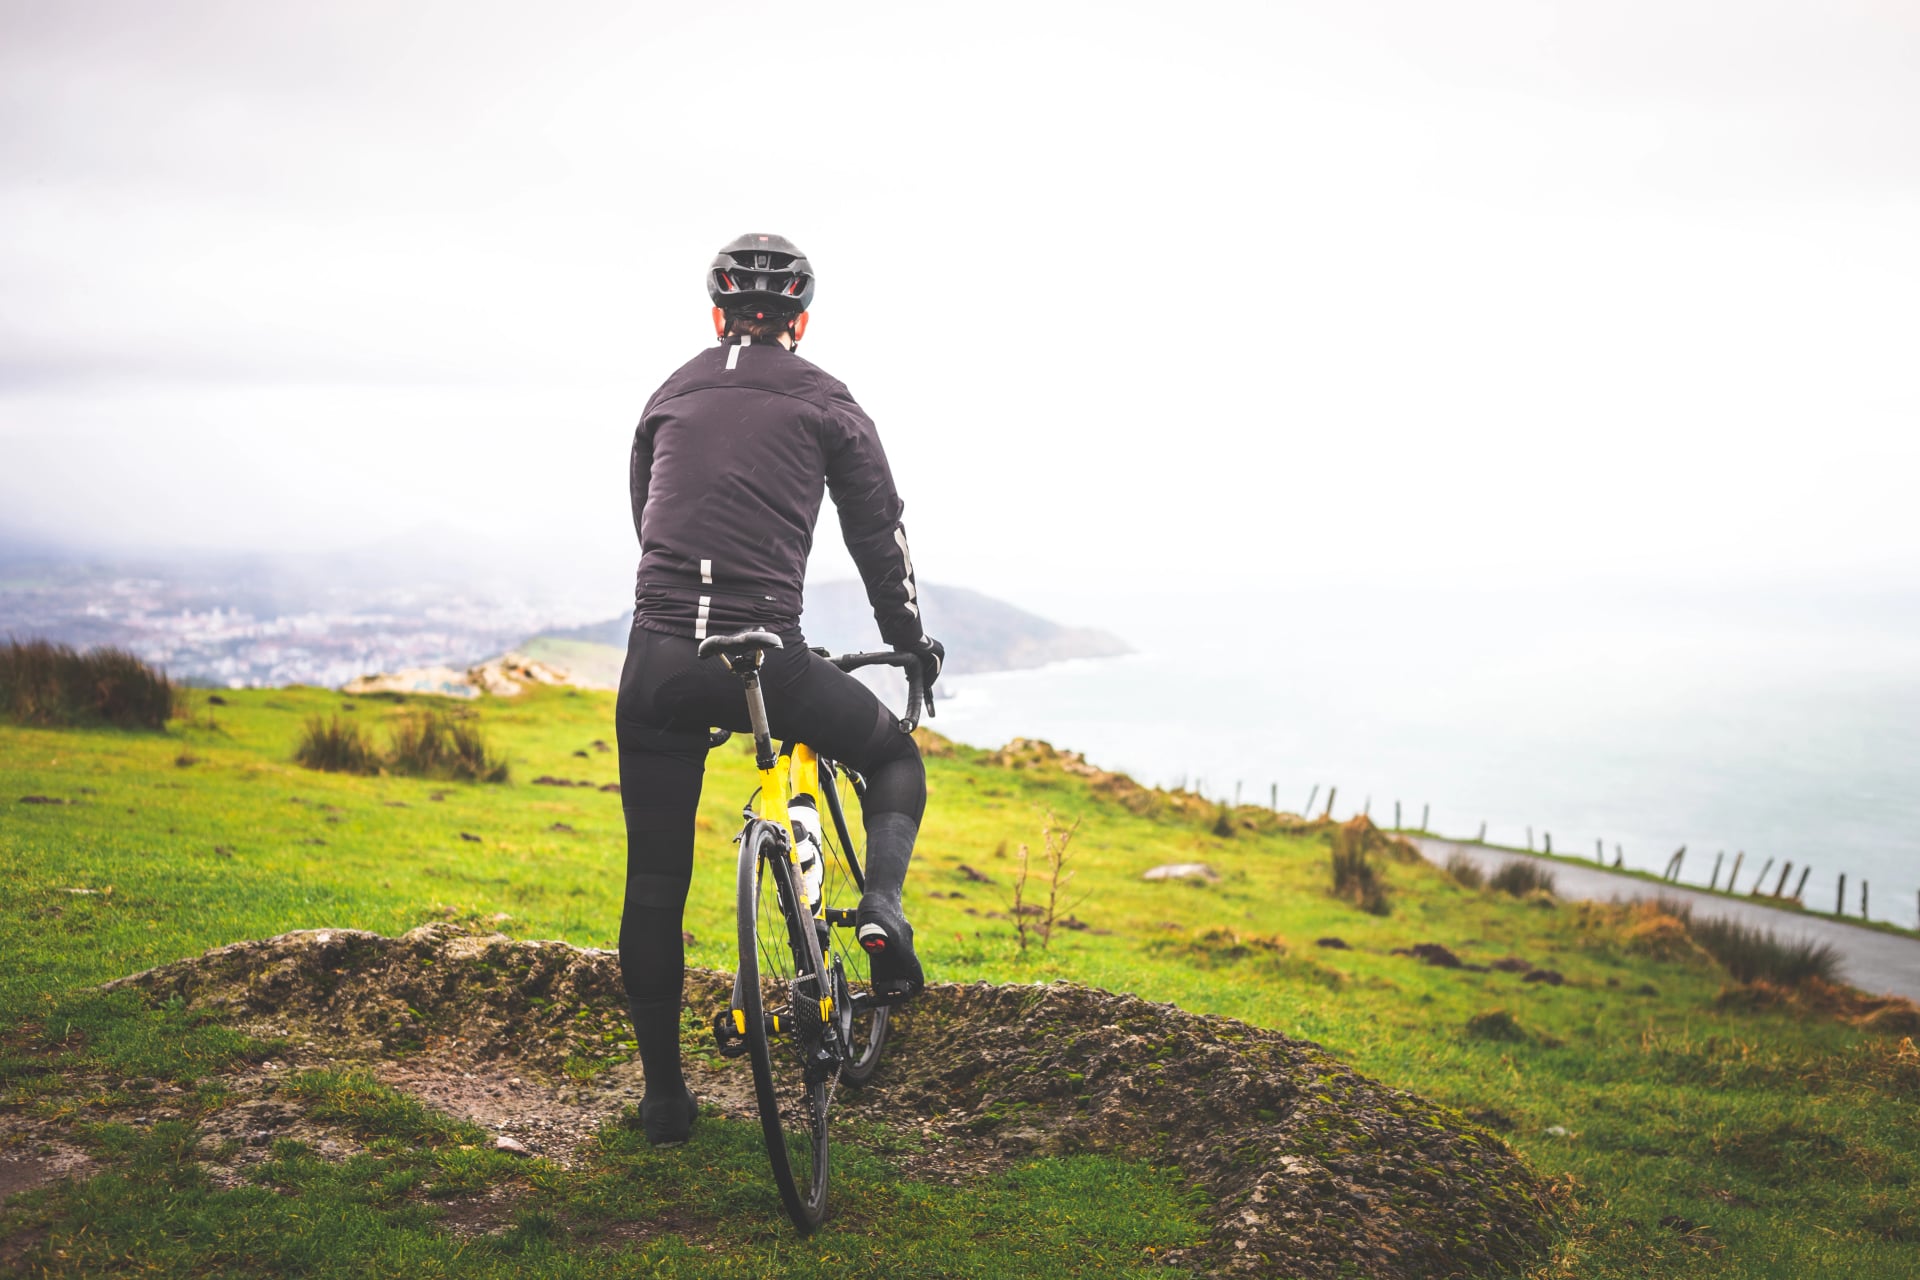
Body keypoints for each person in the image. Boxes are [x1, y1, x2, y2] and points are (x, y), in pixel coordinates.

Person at [615, 233, 944, 1146]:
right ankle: (879, 910)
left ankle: (665, 1102)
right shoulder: (827, 400)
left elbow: (648, 517)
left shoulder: (670, 392)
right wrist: (908, 642)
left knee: (653, 882)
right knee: (891, 753)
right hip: (766, 655)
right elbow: (880, 534)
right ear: (800, 320)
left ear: (717, 315)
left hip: (658, 660)